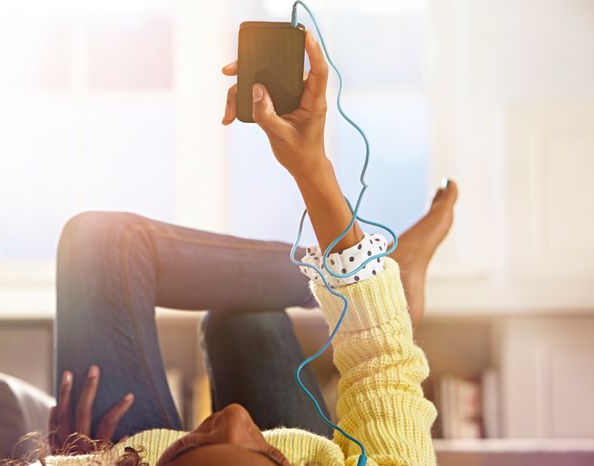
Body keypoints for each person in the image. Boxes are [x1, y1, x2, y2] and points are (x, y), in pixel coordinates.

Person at [48, 30, 458, 466]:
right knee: (248, 317)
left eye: (210, 441)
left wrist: (76, 458)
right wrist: (311, 166)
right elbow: (382, 367)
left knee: (103, 246)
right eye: (267, 455)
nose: (237, 417)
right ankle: (362, 280)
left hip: (116, 447)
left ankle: (355, 280)